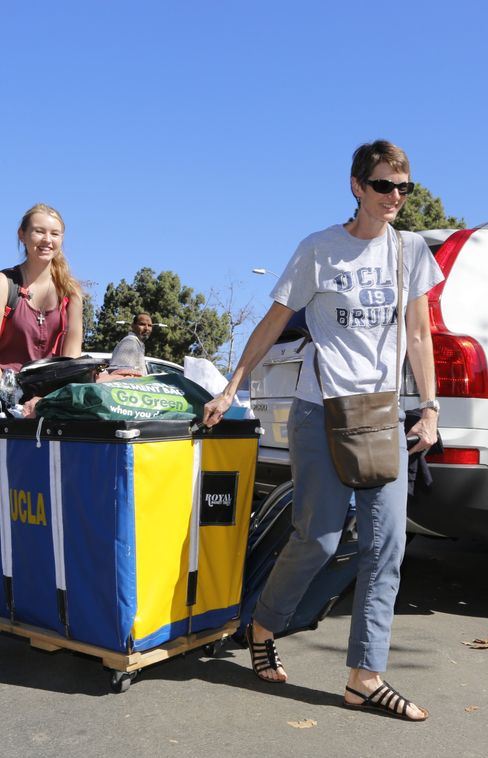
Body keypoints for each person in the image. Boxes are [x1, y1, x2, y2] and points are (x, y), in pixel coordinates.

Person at [202, 140, 442, 722]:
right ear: (357, 186)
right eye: (384, 185)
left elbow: (417, 334)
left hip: (381, 415)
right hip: (319, 410)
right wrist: (232, 384)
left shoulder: (409, 251)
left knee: (388, 544)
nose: (395, 198)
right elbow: (275, 320)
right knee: (320, 539)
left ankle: (365, 676)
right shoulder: (319, 249)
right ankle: (261, 626)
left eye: (403, 187)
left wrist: (430, 406)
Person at [0, 203, 84, 414]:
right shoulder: (2, 283)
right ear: (22, 235)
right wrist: (15, 401)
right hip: (2, 399)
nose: (47, 240)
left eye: (55, 234)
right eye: (39, 231)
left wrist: (50, 402)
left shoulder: (71, 293)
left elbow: (72, 361)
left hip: (48, 402)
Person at [104, 312, 152, 378]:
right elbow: (120, 373)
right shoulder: (130, 342)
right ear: (133, 326)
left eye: (149, 325)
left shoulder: (138, 344)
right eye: (142, 324)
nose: (146, 328)